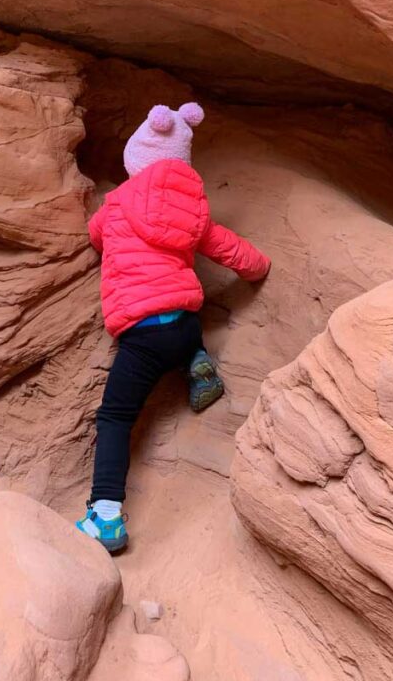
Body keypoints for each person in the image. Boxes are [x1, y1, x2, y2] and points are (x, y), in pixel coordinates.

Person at [76, 102, 271, 553]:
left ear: (135, 161)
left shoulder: (116, 207)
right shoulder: (194, 213)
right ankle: (195, 360)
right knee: (183, 326)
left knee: (116, 418)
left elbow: (95, 235)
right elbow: (229, 249)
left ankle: (105, 517)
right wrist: (259, 268)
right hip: (184, 323)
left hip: (141, 334)